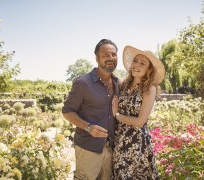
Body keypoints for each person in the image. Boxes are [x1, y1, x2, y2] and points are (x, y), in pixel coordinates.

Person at [62, 39, 119, 180]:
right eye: (106, 55)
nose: (111, 58)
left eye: (113, 54)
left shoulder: (118, 83)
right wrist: (88, 127)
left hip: (110, 147)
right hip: (88, 147)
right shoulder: (83, 83)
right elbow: (67, 111)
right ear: (97, 58)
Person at [112, 45, 165, 180]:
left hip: (136, 143)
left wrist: (117, 114)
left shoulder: (149, 89)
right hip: (119, 141)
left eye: (143, 63)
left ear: (149, 69)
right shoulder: (123, 84)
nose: (137, 65)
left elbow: (140, 122)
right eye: (135, 61)